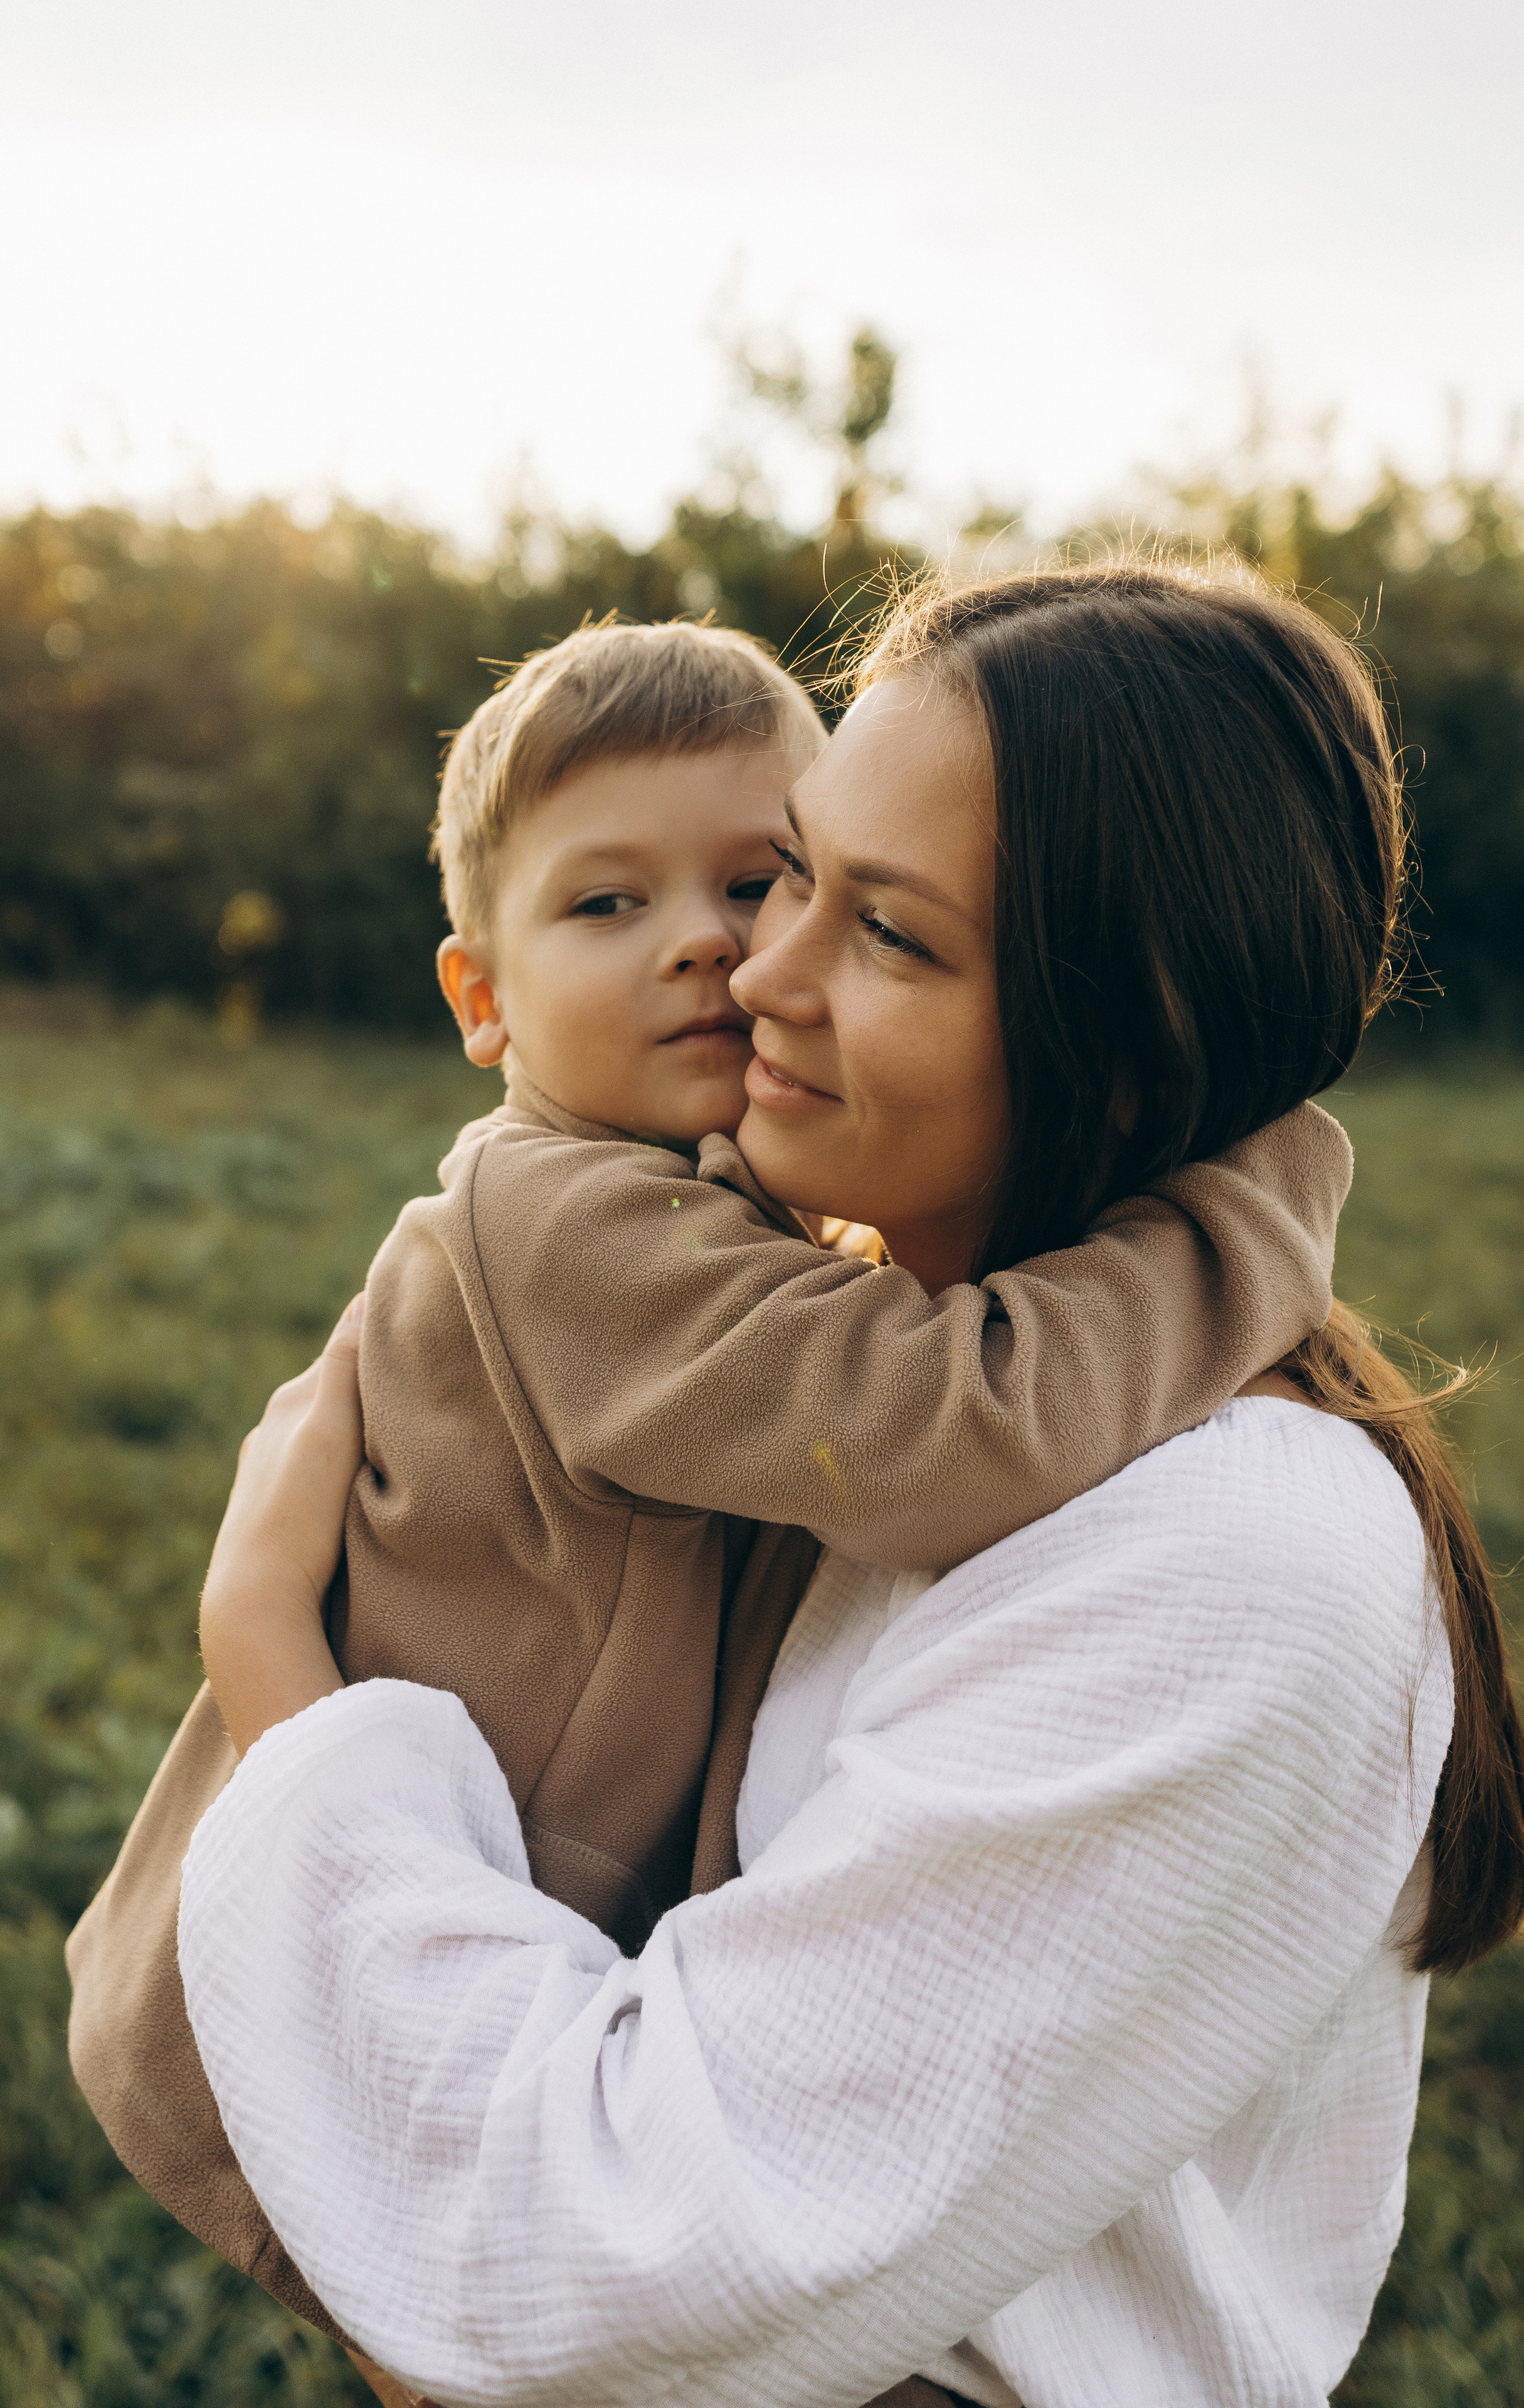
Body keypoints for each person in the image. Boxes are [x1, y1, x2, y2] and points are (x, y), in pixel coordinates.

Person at [194, 562, 1523, 2405]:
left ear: (1125, 1054)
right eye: (794, 870)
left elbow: (600, 2274)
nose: (756, 966)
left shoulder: (1236, 1551)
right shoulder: (869, 1327)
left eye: (884, 932)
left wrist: (273, 1670)